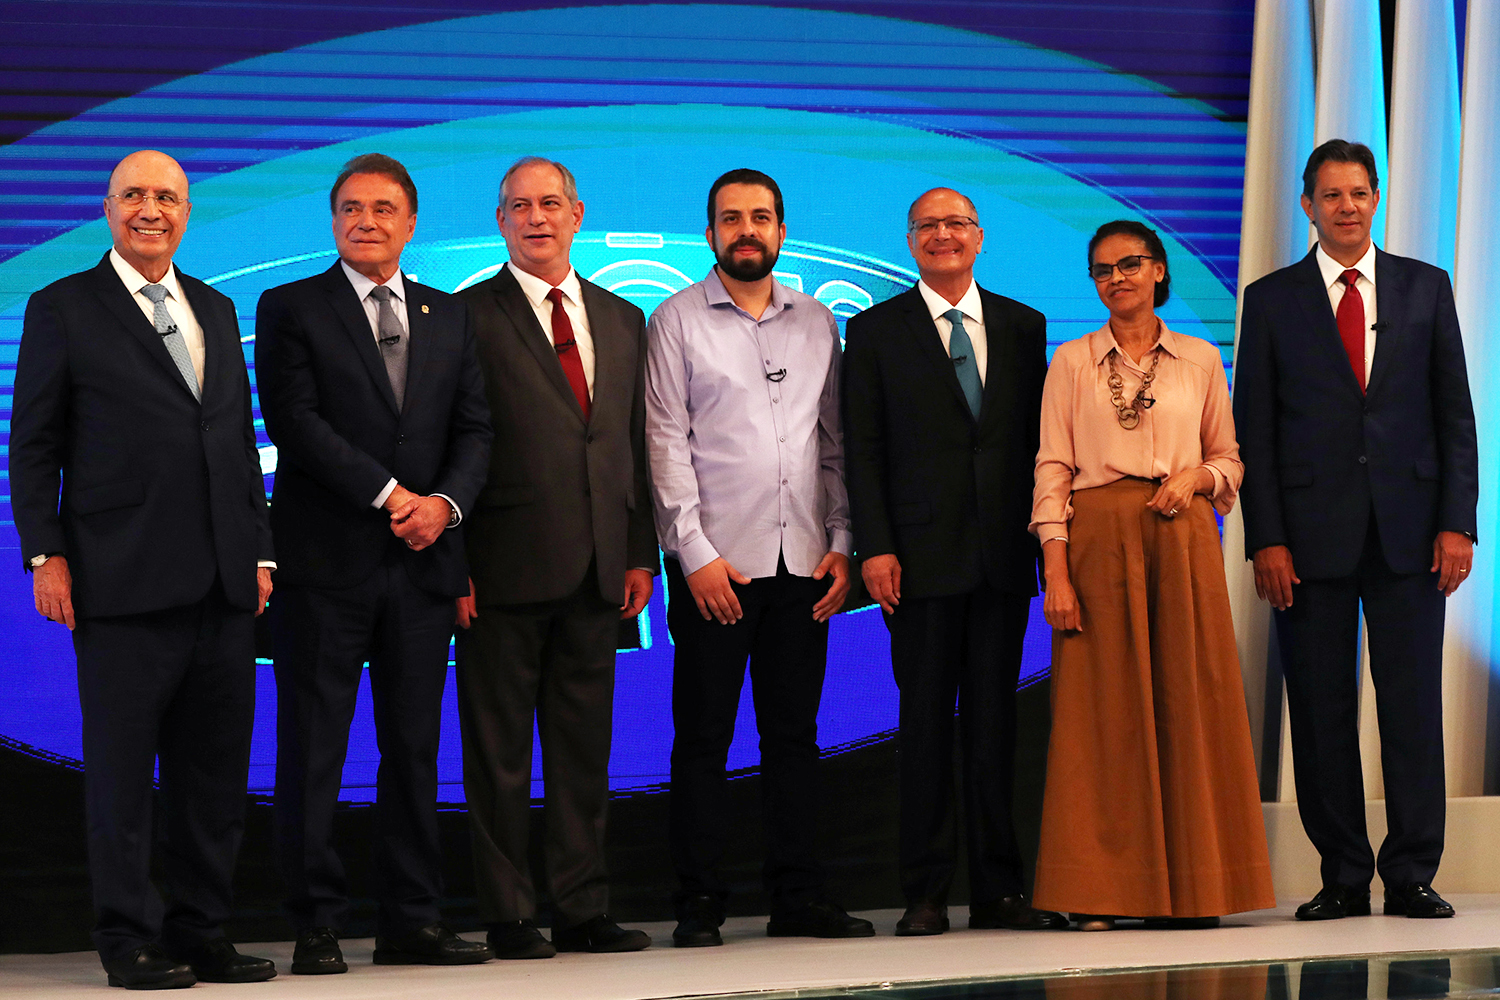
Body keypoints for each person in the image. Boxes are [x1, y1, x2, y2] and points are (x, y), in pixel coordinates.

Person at [10, 150, 277, 989]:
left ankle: (203, 933)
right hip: (118, 583)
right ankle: (128, 939)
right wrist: (46, 554)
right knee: (124, 780)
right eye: (135, 195)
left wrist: (261, 549)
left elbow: (236, 442)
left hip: (225, 586)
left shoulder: (216, 305)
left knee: (213, 780)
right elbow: (35, 445)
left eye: (166, 196)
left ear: (187, 211)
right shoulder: (63, 307)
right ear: (108, 208)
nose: (151, 209)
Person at [256, 153, 494, 971]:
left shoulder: (448, 314)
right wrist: (395, 496)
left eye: (383, 208)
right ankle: (316, 924)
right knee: (315, 747)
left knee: (415, 750)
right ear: (333, 220)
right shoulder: (290, 306)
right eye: (351, 208)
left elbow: (476, 432)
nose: (366, 220)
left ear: (410, 221)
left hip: (425, 568)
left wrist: (446, 507)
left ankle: (412, 922)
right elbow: (295, 421)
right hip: (326, 568)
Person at [1235, 139, 1478, 920]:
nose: (1346, 206)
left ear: (1376, 201)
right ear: (1306, 205)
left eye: (1358, 193)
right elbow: (1257, 431)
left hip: (1413, 536)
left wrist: (1457, 524)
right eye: (1330, 194)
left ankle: (1410, 872)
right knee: (1320, 708)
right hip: (1306, 541)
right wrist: (1265, 537)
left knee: (1411, 709)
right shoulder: (1271, 298)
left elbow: (1455, 419)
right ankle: (1342, 873)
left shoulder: (1425, 287)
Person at [1029, 219, 1275, 930]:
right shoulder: (1071, 362)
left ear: (1160, 271)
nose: (1117, 279)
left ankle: (1196, 891)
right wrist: (1057, 570)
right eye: (1102, 270)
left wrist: (1198, 475)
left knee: (1188, 704)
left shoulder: (1199, 358)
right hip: (1098, 541)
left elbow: (1230, 457)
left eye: (1130, 264)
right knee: (1100, 717)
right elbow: (1052, 467)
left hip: (1182, 539)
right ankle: (1102, 893)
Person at [646, 168, 869, 946]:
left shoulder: (817, 323)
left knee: (794, 739)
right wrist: (694, 553)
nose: (748, 230)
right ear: (710, 233)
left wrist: (842, 541)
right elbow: (665, 442)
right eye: (731, 218)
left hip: (804, 562)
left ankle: (798, 898)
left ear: (782, 231)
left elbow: (834, 443)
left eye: (762, 218)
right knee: (704, 739)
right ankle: (699, 902)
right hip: (718, 568)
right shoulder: (675, 319)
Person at [842, 188, 1064, 936]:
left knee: (999, 731)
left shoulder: (1024, 325)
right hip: (916, 563)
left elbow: (1043, 444)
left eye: (957, 224)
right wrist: (875, 545)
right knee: (928, 728)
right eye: (929, 226)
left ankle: (1001, 889)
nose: (944, 235)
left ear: (979, 238)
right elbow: (861, 451)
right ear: (910, 240)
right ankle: (927, 892)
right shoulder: (873, 331)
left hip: (1004, 560)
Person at [453, 156, 656, 958]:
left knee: (582, 751)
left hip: (600, 568)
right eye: (519, 206)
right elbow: (448, 445)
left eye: (550, 203)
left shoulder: (621, 316)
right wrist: (452, 563)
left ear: (578, 214)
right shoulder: (464, 316)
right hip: (498, 567)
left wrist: (639, 551)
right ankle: (508, 914)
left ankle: (581, 907)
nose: (536, 217)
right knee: (498, 753)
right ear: (500, 221)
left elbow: (631, 444)